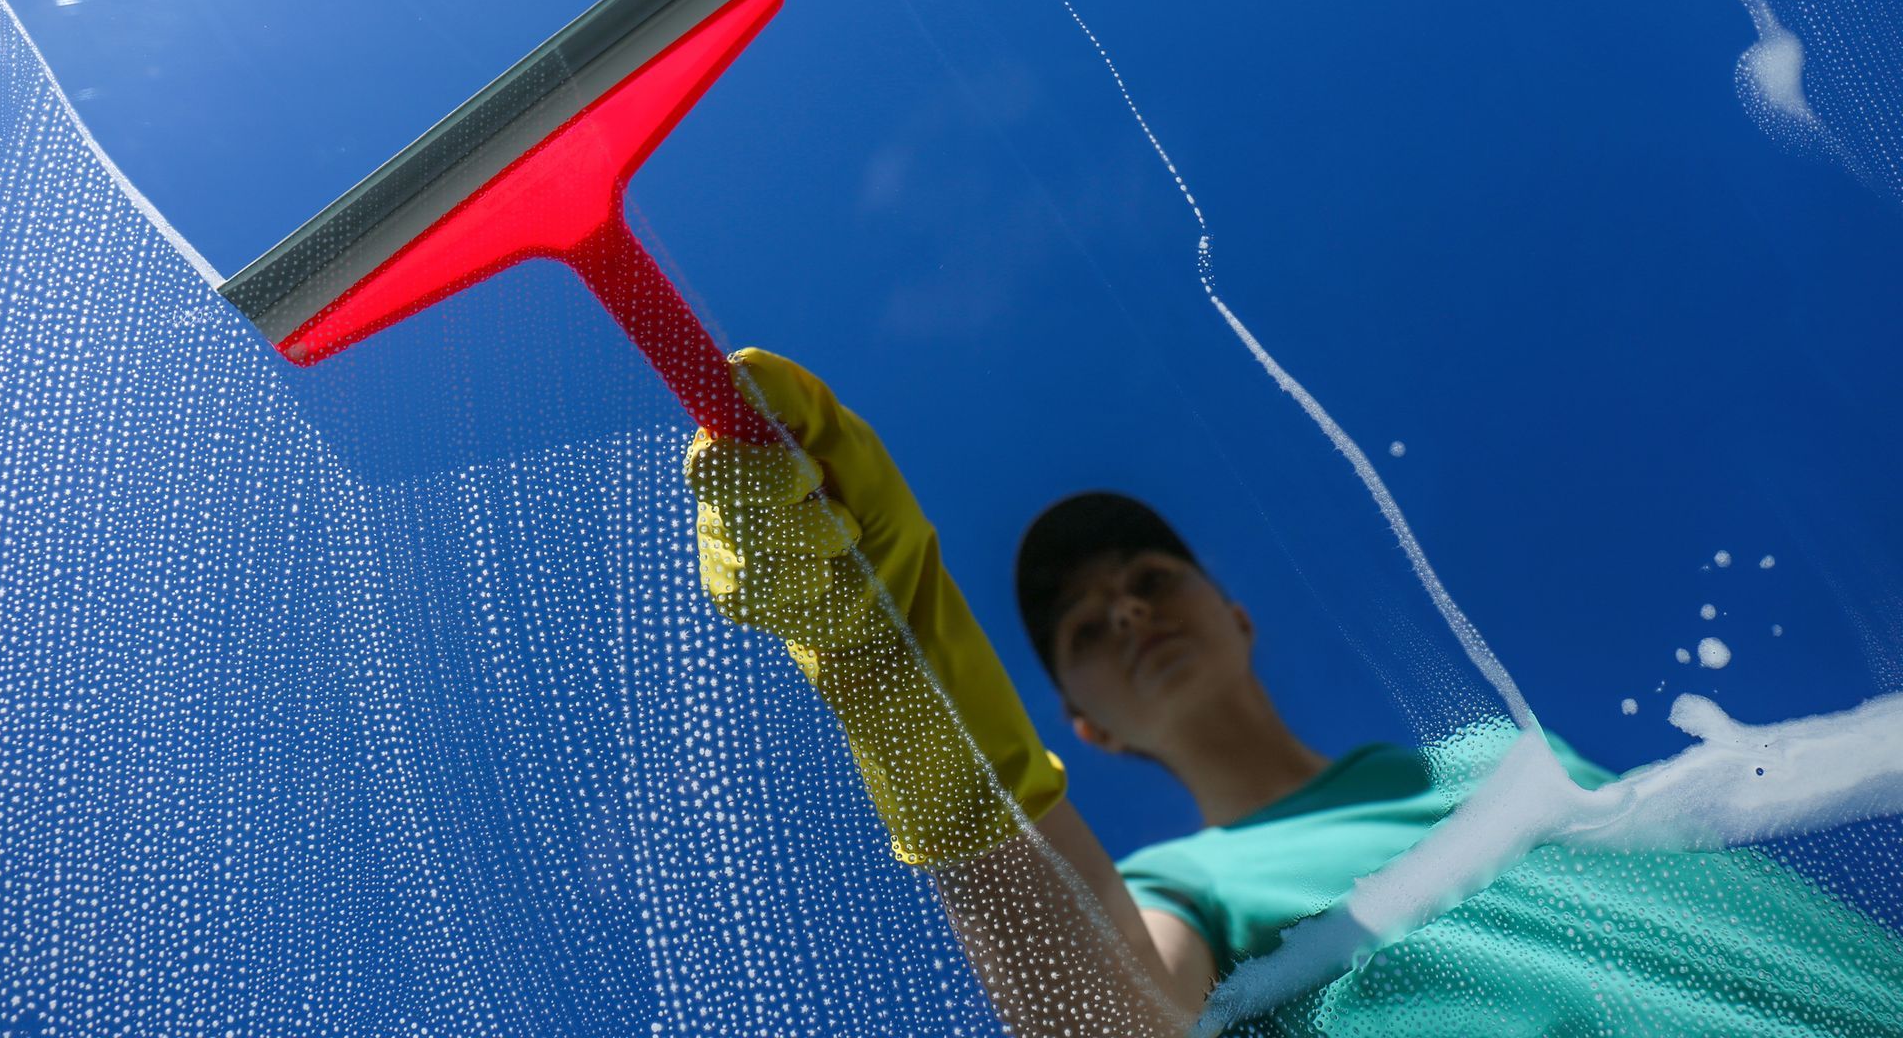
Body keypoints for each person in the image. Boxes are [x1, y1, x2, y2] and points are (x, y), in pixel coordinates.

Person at [686, 349, 1903, 1037]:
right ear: (1088, 725)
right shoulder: (1177, 896)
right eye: (1081, 625)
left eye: (1153, 575)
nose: (1125, 609)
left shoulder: (1507, 762)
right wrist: (879, 664)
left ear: (1239, 615)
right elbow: (1101, 1022)